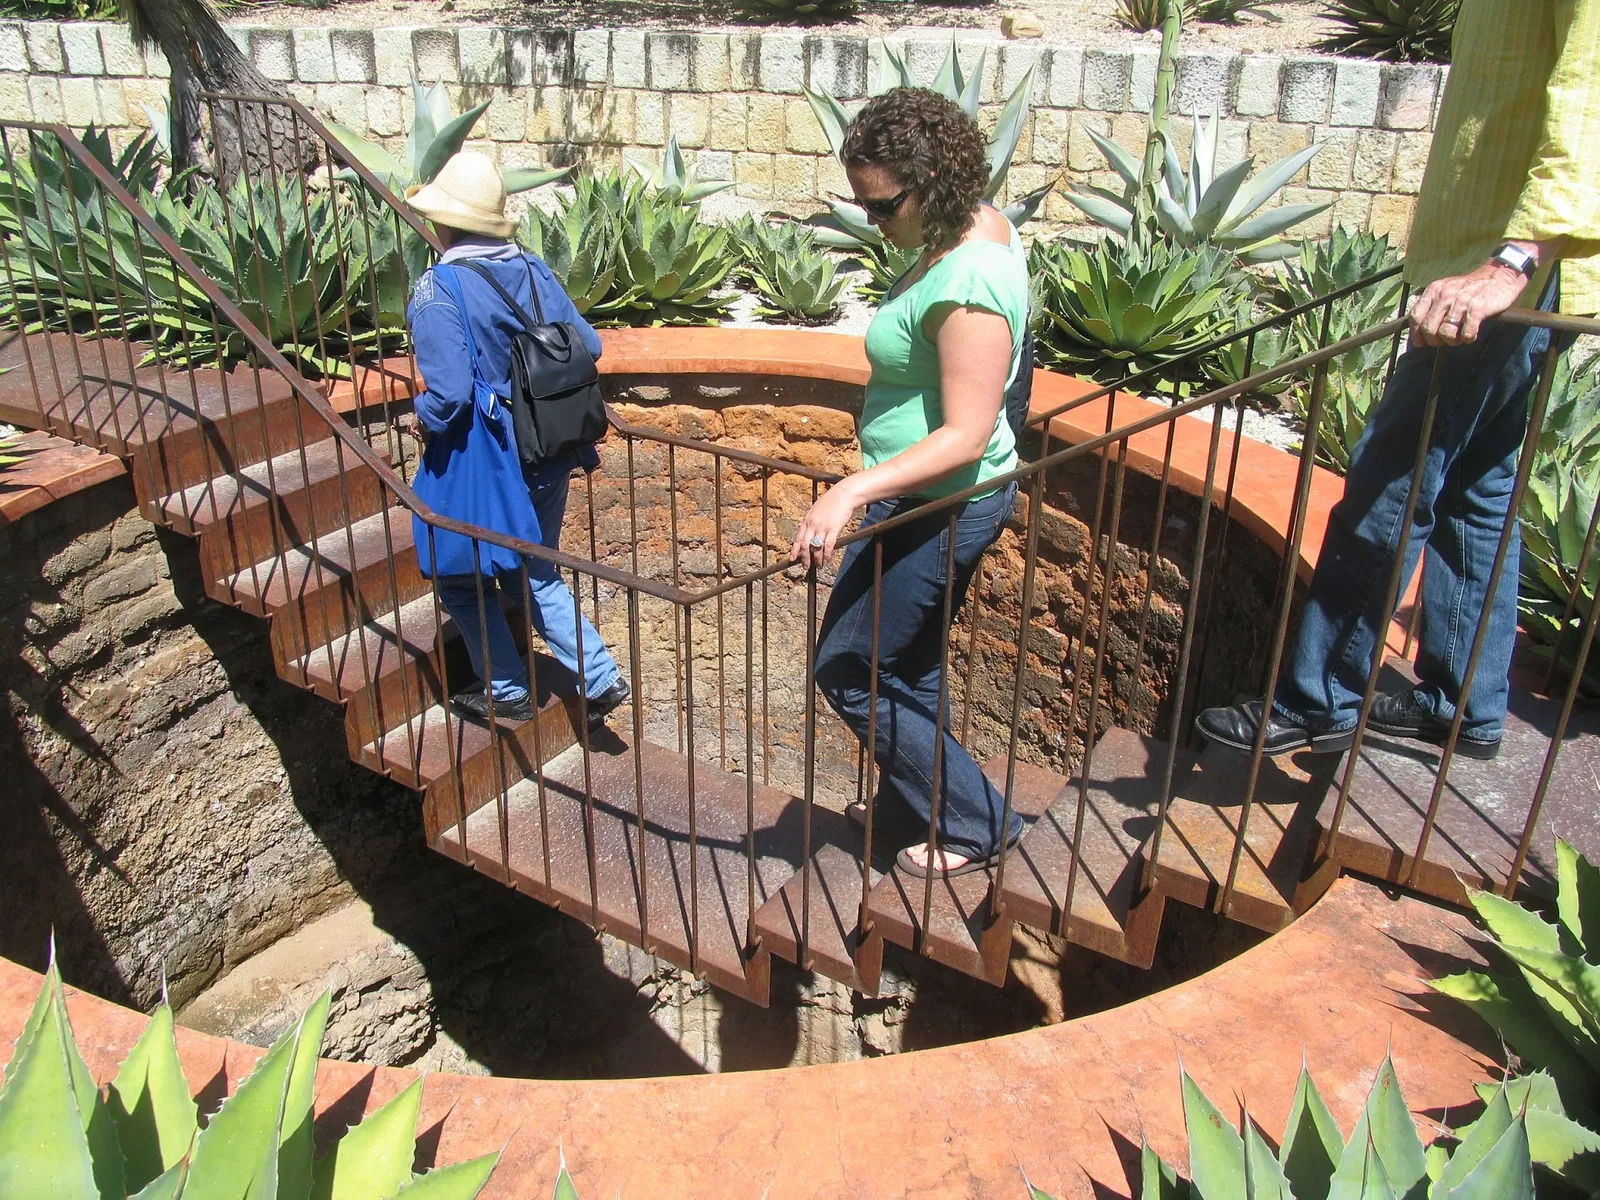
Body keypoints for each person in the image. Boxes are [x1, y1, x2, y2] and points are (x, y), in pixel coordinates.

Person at [1197, 0, 1600, 763]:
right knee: (1479, 484)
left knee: (1393, 480)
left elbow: (1590, 102)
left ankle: (1319, 700)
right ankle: (1464, 704)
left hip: (1503, 277)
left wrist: (1510, 263)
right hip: (1486, 264)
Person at [790, 88, 1029, 878]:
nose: (872, 221)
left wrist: (853, 490)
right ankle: (916, 798)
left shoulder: (969, 280)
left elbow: (966, 430)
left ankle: (975, 823)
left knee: (850, 670)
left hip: (941, 501)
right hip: (929, 496)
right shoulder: (971, 224)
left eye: (883, 205)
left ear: (932, 181)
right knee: (910, 664)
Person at [403, 152, 630, 729]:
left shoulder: (439, 288)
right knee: (533, 565)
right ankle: (597, 675)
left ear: (444, 222)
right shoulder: (532, 268)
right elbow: (590, 346)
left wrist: (420, 413)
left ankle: (507, 686)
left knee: (461, 578)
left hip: (492, 457)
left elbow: (450, 394)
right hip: (548, 448)